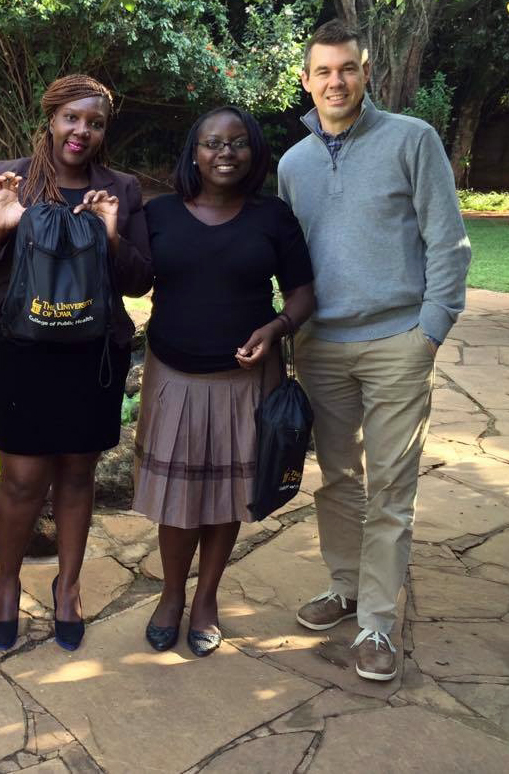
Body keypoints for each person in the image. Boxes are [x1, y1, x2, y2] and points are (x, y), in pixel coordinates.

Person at [278, 20, 471, 681]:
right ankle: (345, 586)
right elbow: (288, 258)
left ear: (367, 74)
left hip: (397, 341)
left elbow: (448, 242)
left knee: (391, 486)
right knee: (337, 479)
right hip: (321, 345)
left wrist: (430, 331)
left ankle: (377, 625)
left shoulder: (411, 141)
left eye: (348, 69)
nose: (336, 81)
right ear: (305, 81)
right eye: (323, 71)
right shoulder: (292, 164)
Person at [0, 74, 152, 652]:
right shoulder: (8, 178)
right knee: (21, 478)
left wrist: (112, 236)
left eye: (94, 123)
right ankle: (8, 583)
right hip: (21, 352)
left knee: (78, 473)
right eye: (72, 118)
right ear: (51, 118)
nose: (82, 132)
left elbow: (142, 277)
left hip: (92, 354)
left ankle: (67, 588)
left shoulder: (120, 188)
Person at [133, 107, 315, 657]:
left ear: (254, 153)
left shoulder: (273, 217)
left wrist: (277, 327)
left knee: (227, 498)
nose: (226, 153)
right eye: (214, 143)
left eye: (238, 143)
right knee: (177, 501)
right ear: (195, 152)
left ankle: (206, 598)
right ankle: (170, 596)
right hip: (173, 376)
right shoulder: (158, 213)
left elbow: (304, 293)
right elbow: (133, 278)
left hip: (245, 381)